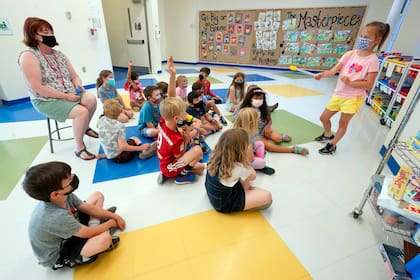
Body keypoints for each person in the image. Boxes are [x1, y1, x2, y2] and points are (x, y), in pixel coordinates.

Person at [19, 17, 98, 160]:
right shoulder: (29, 56)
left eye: (50, 31)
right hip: (46, 100)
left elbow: (74, 76)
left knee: (91, 99)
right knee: (81, 112)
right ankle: (79, 148)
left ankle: (85, 127)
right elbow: (37, 87)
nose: (49, 34)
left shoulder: (59, 55)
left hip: (70, 92)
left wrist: (78, 84)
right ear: (34, 36)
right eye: (44, 32)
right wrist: (66, 97)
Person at [22, 161, 126, 269]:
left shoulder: (64, 195)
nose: (73, 178)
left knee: (97, 195)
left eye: (71, 174)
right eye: (69, 180)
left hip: (70, 227)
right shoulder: (56, 217)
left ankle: (96, 226)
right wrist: (111, 223)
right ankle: (78, 257)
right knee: (105, 239)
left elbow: (87, 207)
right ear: (55, 194)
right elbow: (88, 233)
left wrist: (115, 217)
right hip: (61, 251)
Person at [314, 21, 390, 155]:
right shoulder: (350, 54)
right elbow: (334, 70)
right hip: (339, 94)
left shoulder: (373, 60)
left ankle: (332, 145)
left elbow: (369, 83)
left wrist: (351, 83)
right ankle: (327, 135)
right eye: (362, 36)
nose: (362, 39)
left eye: (366, 37)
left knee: (343, 124)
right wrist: (323, 74)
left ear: (376, 40)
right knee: (324, 118)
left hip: (353, 98)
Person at [156, 56, 205, 185]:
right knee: (198, 151)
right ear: (177, 118)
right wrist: (188, 136)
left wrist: (172, 75)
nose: (185, 113)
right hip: (170, 166)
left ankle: (171, 174)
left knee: (201, 168)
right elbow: (180, 155)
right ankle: (180, 176)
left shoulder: (164, 119)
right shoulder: (175, 139)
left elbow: (171, 97)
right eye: (184, 112)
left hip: (166, 162)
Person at [205, 128, 272, 213]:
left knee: (245, 180)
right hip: (224, 203)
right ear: (240, 150)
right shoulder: (236, 168)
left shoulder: (215, 156)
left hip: (214, 193)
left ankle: (246, 193)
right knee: (267, 197)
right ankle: (245, 196)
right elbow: (253, 176)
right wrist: (247, 158)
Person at [236, 86, 309, 155]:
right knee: (269, 147)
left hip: (265, 129)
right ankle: (293, 149)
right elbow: (240, 124)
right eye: (256, 98)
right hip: (254, 133)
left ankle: (280, 136)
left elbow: (269, 120)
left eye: (261, 98)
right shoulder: (246, 110)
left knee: (278, 139)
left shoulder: (263, 108)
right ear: (250, 98)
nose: (259, 100)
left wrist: (267, 127)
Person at [234, 108, 275, 175]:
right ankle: (257, 166)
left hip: (242, 152)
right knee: (262, 163)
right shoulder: (247, 136)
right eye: (257, 120)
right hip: (239, 159)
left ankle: (257, 160)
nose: (259, 121)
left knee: (259, 144)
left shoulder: (241, 129)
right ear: (251, 122)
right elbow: (250, 158)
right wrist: (254, 157)